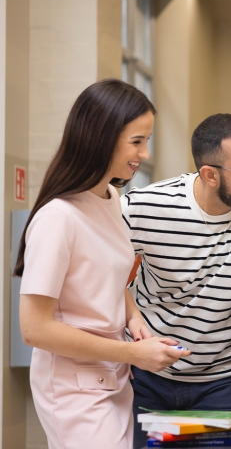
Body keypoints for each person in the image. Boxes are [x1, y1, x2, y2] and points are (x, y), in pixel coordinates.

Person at [17, 80, 190, 449]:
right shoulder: (57, 217)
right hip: (72, 387)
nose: (144, 154)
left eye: (147, 141)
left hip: (110, 378)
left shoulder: (110, 197)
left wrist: (133, 319)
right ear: (101, 137)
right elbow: (34, 329)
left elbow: (109, 277)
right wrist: (132, 352)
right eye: (137, 141)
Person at [121, 114, 231, 448]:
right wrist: (129, 324)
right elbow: (97, 271)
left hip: (227, 378)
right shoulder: (144, 208)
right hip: (146, 374)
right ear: (210, 175)